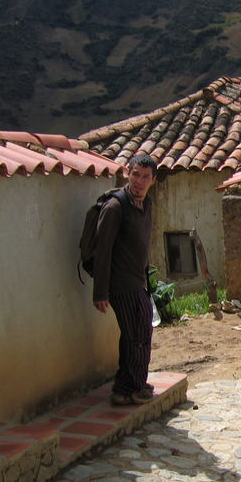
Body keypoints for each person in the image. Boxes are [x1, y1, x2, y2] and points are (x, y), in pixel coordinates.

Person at [93, 154, 158, 406]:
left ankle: (132, 384)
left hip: (138, 281)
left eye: (145, 176)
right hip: (121, 284)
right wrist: (100, 292)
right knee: (135, 334)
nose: (139, 181)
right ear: (126, 173)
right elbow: (102, 251)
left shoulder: (146, 204)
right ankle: (127, 388)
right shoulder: (115, 208)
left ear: (153, 179)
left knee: (141, 331)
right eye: (135, 174)